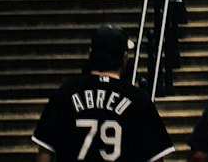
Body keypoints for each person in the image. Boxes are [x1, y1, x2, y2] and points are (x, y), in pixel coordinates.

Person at [32, 22, 174, 162]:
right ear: (124, 57)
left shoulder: (63, 95)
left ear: (90, 54)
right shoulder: (139, 101)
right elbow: (156, 157)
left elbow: (45, 153)